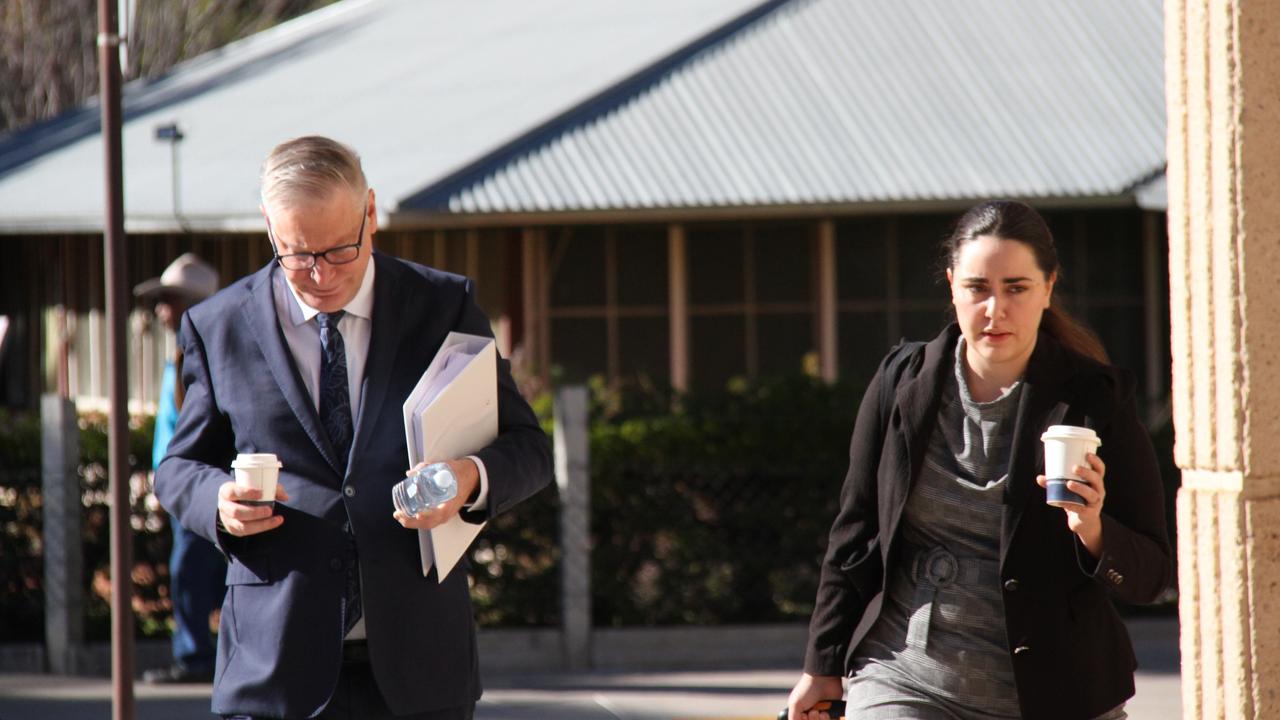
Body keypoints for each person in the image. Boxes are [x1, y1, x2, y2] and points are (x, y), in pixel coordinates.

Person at [154, 135, 552, 719]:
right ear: (269, 226)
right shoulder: (218, 326)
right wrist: (219, 502)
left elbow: (529, 449)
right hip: (275, 665)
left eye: (340, 250)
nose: (319, 274)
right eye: (297, 254)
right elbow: (176, 469)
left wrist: (468, 478)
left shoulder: (441, 305)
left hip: (421, 666)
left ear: (370, 212)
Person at [786, 200, 1171, 720]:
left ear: (1048, 288)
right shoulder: (901, 384)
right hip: (906, 675)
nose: (995, 309)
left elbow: (1150, 576)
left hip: (1060, 692)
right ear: (951, 286)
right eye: (977, 288)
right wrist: (821, 665)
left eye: (1016, 288)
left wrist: (1093, 528)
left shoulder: (1097, 398)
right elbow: (856, 534)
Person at [135, 252, 225, 684]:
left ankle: (197, 658)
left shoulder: (203, 350)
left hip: (200, 484)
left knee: (193, 573)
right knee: (194, 572)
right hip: (181, 484)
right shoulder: (180, 349)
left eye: (170, 300)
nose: (161, 310)